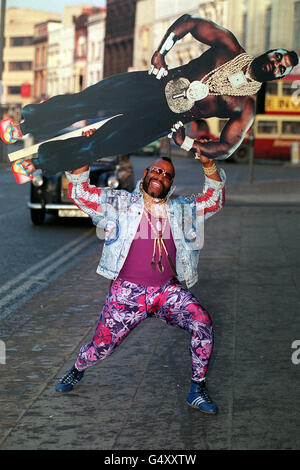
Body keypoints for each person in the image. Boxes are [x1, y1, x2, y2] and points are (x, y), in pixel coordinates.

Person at [55, 128, 226, 414]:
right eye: (157, 171)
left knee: (202, 322)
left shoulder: (182, 208)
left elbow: (213, 200)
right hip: (127, 293)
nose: (161, 176)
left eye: (167, 175)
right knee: (101, 348)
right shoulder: (120, 203)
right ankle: (78, 367)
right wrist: (85, 151)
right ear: (146, 173)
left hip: (166, 291)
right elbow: (79, 192)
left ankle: (197, 389)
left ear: (171, 183)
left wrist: (208, 164)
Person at [1, 14, 298, 177]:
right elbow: (190, 22)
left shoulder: (246, 106)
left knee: (99, 145)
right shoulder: (229, 47)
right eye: (279, 58)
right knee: (86, 101)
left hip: (163, 119)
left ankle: (39, 163)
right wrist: (161, 52)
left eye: (282, 69)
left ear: (279, 77)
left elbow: (226, 147)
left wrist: (188, 142)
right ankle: (27, 125)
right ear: (271, 51)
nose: (277, 65)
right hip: (152, 84)